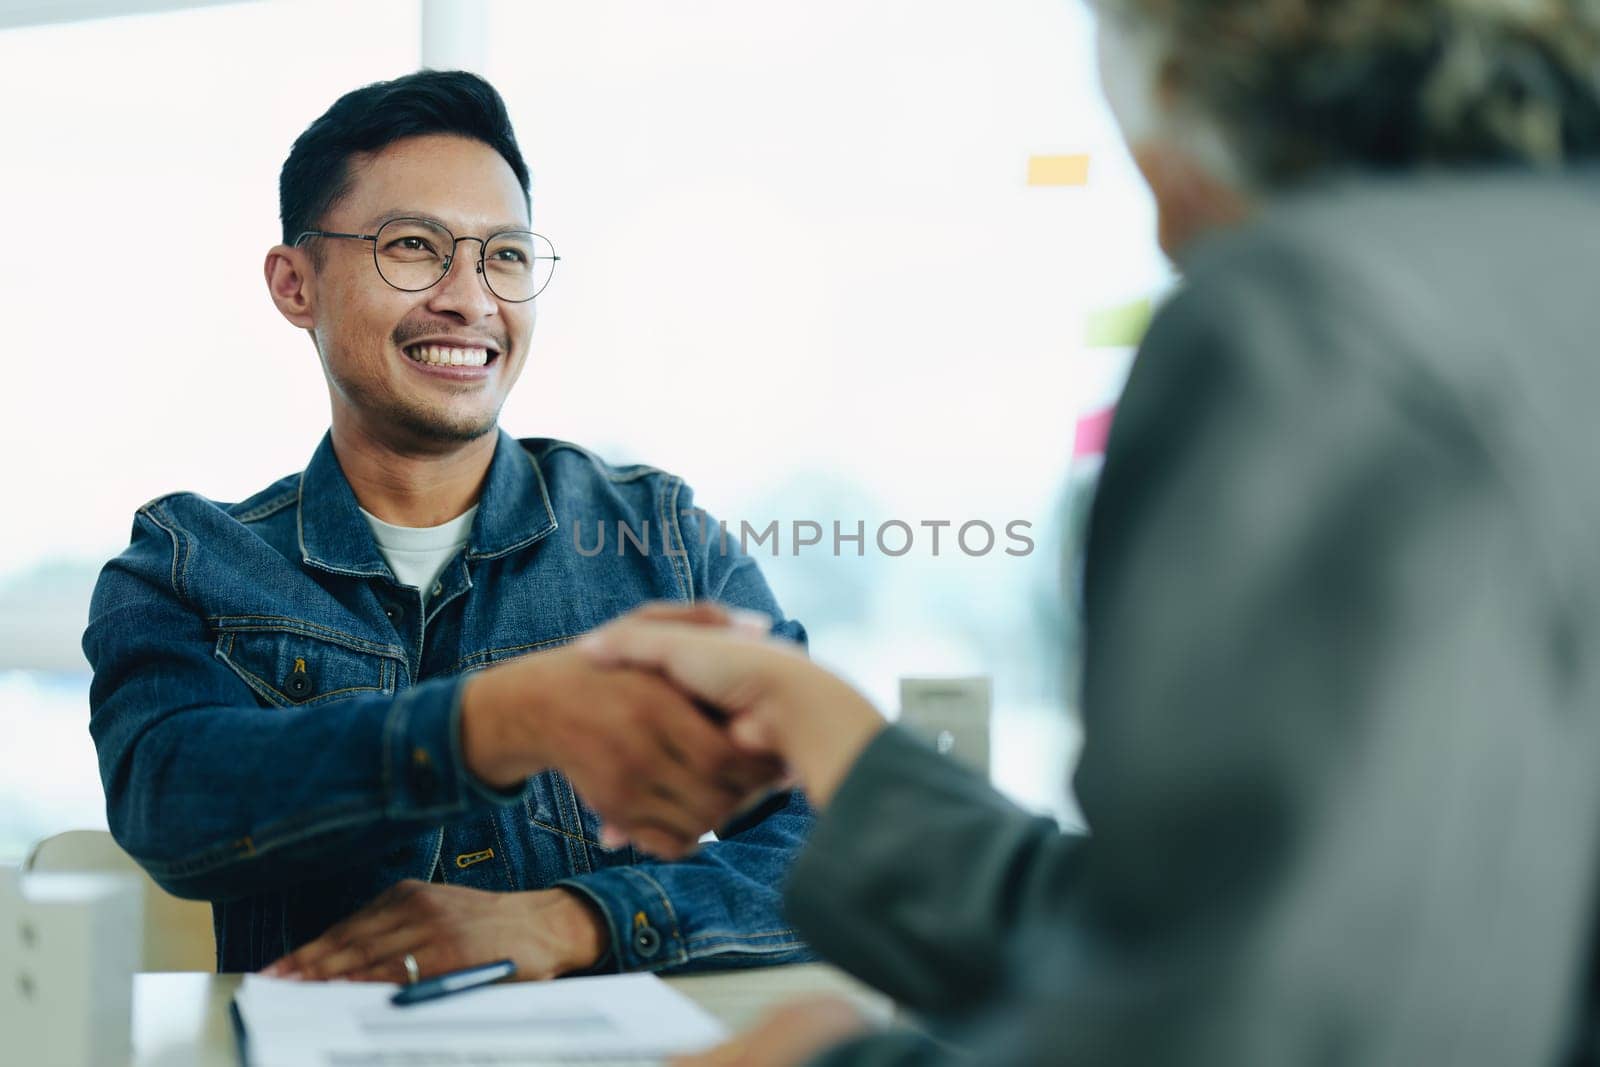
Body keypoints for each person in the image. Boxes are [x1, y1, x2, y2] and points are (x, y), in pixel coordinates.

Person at [579, 0, 1600, 1062]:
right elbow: (1245, 921)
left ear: (1195, 78)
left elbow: (1244, 1027)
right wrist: (838, 745)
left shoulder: (1327, 324)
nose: (1163, 234)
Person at [82, 70, 816, 982]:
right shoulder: (186, 564)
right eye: (415, 246)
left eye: (504, 256)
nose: (471, 299)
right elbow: (173, 801)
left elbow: (842, 830)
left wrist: (580, 919)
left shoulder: (659, 536)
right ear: (294, 284)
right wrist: (493, 723)